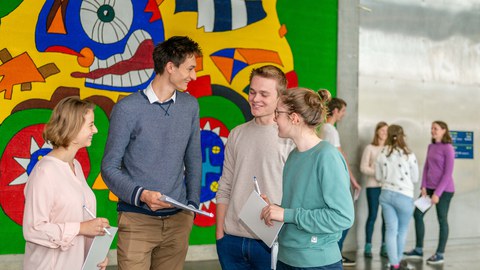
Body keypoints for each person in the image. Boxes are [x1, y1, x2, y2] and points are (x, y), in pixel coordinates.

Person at [101, 36, 202, 270]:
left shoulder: (190, 106)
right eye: (190, 68)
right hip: (137, 221)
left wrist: (192, 207)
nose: (193, 76)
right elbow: (109, 167)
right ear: (170, 67)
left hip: (179, 222)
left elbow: (194, 158)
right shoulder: (127, 109)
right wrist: (142, 195)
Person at [261, 87, 354, 270]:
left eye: (278, 113)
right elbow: (301, 208)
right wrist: (276, 210)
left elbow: (343, 217)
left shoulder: (327, 156)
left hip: (318, 263)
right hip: (286, 259)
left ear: (294, 118)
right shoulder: (293, 156)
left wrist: (286, 214)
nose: (274, 118)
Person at [215, 65, 295, 269]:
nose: (255, 98)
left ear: (280, 97)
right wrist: (220, 234)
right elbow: (225, 185)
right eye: (252, 91)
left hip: (272, 242)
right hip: (231, 241)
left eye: (264, 94)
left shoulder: (290, 138)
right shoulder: (236, 134)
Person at [23, 97, 110, 270]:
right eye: (90, 125)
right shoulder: (44, 172)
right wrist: (80, 228)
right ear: (73, 128)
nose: (96, 130)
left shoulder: (75, 166)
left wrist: (96, 255)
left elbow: (82, 219)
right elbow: (33, 229)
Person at [404, 121, 455, 265]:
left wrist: (437, 193)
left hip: (444, 190)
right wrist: (423, 186)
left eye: (436, 129)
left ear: (444, 130)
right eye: (432, 128)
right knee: (418, 214)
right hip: (429, 189)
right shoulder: (431, 146)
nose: (433, 131)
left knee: (442, 219)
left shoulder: (448, 148)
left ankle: (440, 254)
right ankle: (419, 249)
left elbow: (447, 173)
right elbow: (427, 167)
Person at [320, 97, 361, 266]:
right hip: (335, 179)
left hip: (325, 179)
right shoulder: (330, 130)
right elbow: (341, 157)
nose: (344, 115)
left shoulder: (322, 128)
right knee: (344, 217)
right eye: (343, 111)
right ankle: (336, 254)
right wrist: (353, 180)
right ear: (335, 111)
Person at [375, 125, 419, 270]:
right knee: (402, 230)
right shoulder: (409, 154)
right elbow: (415, 177)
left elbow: (378, 176)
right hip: (404, 196)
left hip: (386, 194)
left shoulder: (382, 153)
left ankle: (394, 264)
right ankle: (399, 262)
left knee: (390, 230)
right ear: (402, 136)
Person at [360, 121, 389, 258]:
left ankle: (384, 246)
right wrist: (378, 173)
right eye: (382, 130)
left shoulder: (390, 149)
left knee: (386, 218)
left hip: (387, 188)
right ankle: (368, 246)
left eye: (386, 131)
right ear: (377, 131)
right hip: (373, 187)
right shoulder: (370, 148)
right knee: (372, 216)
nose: (384, 133)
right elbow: (363, 167)